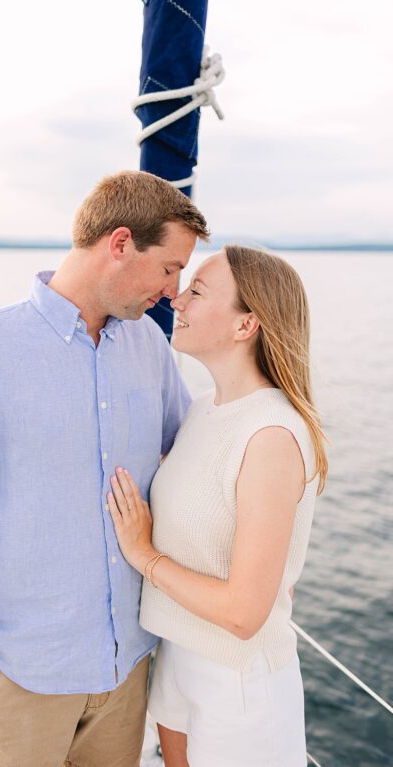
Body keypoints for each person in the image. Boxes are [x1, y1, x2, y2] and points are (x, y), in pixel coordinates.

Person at [0, 170, 210, 766]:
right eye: (171, 267)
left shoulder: (149, 345)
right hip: (20, 680)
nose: (173, 290)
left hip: (127, 670)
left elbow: (190, 454)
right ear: (120, 244)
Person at [108, 245, 327, 766]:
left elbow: (245, 614)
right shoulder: (203, 411)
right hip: (178, 657)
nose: (175, 299)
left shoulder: (271, 434)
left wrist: (144, 557)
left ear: (245, 324)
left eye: (197, 291)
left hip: (239, 683)